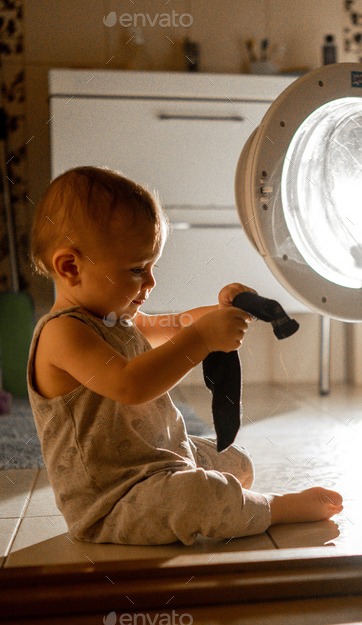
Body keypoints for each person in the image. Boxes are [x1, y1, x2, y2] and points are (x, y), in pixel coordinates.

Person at [27, 166, 343, 545]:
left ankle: (224, 492)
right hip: (113, 500)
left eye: (152, 267)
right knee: (198, 497)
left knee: (237, 461)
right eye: (137, 269)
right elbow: (131, 384)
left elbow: (175, 324)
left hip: (158, 458)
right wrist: (201, 340)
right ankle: (275, 508)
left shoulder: (114, 319)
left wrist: (222, 310)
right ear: (71, 267)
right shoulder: (62, 333)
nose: (151, 282)